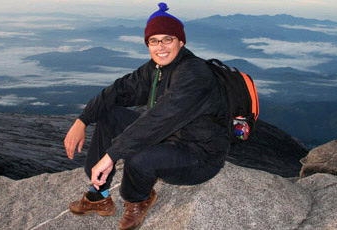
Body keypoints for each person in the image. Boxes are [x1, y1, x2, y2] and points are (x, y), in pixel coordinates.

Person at [64, 2, 230, 230]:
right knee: (109, 115)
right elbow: (119, 90)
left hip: (198, 155)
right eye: (154, 41)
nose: (160, 47)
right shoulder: (156, 68)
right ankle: (99, 194)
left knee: (137, 156)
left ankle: (139, 199)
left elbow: (160, 119)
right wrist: (82, 120)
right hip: (170, 137)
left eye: (167, 39)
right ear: (147, 44)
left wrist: (112, 155)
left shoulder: (194, 74)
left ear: (181, 42)